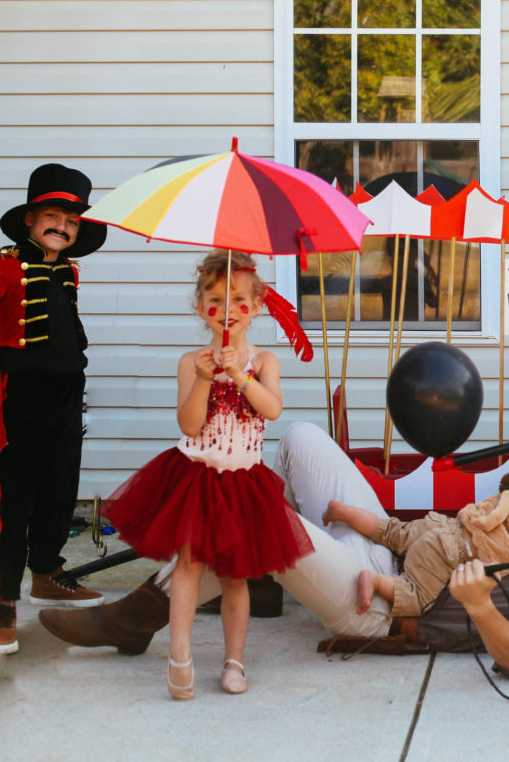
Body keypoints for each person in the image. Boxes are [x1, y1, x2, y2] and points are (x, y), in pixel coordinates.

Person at [40, 390, 509, 680]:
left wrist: (479, 607)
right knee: (302, 437)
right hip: (391, 548)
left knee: (247, 508)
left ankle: (137, 617)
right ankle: (260, 578)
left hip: (384, 611)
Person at [101, 251, 315, 699]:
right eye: (216, 300)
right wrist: (204, 378)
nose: (228, 310)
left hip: (242, 485)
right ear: (201, 308)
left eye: (239, 299)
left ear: (256, 307)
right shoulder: (190, 362)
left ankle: (234, 661)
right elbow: (190, 425)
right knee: (189, 565)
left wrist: (238, 372)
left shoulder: (264, 361)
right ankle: (180, 656)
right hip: (195, 478)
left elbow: (272, 409)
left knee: (236, 578)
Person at [0, 164, 108, 656]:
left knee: (60, 488)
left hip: (65, 391)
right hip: (21, 395)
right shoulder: (6, 265)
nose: (62, 226)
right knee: (16, 500)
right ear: (31, 219)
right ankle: (2, 602)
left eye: (71, 220)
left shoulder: (69, 270)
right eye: (52, 216)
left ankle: (46, 573)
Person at [323, 447, 509, 617]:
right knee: (417, 598)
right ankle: (375, 581)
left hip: (442, 526)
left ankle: (343, 511)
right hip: (447, 554)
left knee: (391, 530)